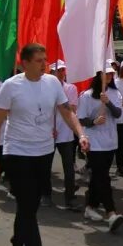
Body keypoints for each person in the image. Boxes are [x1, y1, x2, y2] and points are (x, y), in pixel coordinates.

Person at [0, 43, 90, 246]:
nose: (45, 64)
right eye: (39, 60)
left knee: (29, 207)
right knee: (27, 204)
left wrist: (80, 133)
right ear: (25, 63)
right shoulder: (11, 87)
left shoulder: (53, 83)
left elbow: (67, 112)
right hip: (18, 153)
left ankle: (16, 245)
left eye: (46, 59)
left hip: (43, 153)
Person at [77, 68, 123, 232]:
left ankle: (90, 207)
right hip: (93, 142)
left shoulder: (114, 93)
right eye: (107, 73)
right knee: (103, 177)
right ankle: (111, 213)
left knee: (98, 176)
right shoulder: (86, 95)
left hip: (110, 142)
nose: (111, 76)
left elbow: (118, 114)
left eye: (112, 73)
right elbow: (81, 120)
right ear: (99, 74)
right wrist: (94, 122)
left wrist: (108, 102)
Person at [51, 61, 82, 211]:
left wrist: (59, 100)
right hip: (49, 133)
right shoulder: (45, 88)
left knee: (69, 167)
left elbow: (73, 108)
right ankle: (44, 194)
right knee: (44, 166)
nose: (61, 73)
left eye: (63, 70)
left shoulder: (71, 88)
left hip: (66, 134)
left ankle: (70, 197)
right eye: (57, 70)